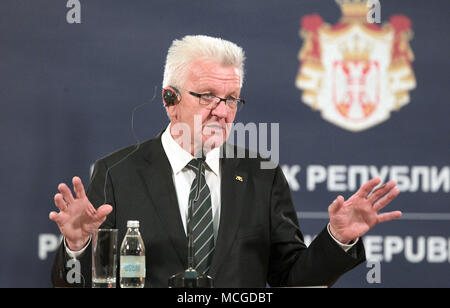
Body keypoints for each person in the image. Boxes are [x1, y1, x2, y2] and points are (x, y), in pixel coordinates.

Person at [49, 35, 402, 288]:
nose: (222, 111)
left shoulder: (262, 175)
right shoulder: (117, 173)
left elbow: (291, 279)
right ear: (169, 100)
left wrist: (336, 238)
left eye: (231, 99)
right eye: (207, 96)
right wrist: (76, 248)